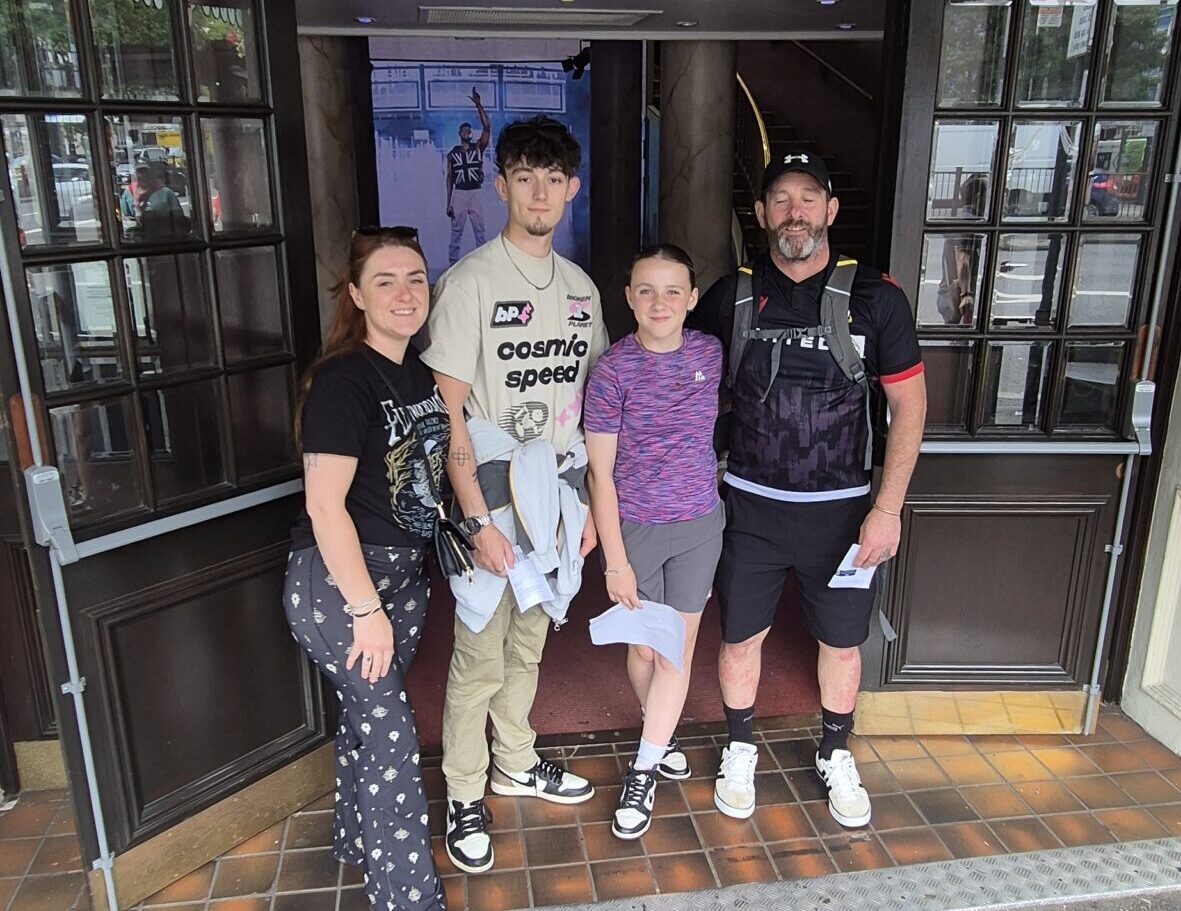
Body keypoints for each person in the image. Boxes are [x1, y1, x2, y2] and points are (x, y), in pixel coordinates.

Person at [690, 151, 926, 828]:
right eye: (780, 200)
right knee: (739, 638)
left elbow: (908, 409)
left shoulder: (876, 298)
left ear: (829, 211)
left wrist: (886, 509)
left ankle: (834, 749)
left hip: (844, 514)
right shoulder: (727, 296)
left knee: (840, 643)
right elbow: (688, 394)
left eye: (807, 198)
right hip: (748, 507)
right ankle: (739, 745)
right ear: (761, 215)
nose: (794, 212)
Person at [423, 115, 608, 873]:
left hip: (557, 499)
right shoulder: (469, 282)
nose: (539, 192)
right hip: (492, 501)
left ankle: (516, 761)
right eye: (523, 177)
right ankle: (465, 789)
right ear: (499, 185)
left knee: (529, 642)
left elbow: (595, 407)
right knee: (478, 656)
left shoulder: (581, 289)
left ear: (570, 188)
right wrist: (475, 520)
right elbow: (448, 412)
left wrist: (591, 505)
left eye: (552, 178)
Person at [283, 227, 448, 911]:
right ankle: (407, 896)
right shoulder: (344, 380)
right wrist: (364, 609)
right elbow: (325, 507)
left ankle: (355, 839)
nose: (405, 293)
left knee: (364, 719)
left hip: (399, 576)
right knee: (391, 740)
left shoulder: (414, 368)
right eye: (385, 281)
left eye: (414, 277)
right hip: (343, 588)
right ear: (355, 293)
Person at [584, 245, 724, 840]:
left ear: (692, 299)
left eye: (673, 291)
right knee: (643, 651)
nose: (659, 302)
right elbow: (599, 474)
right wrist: (615, 561)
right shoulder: (612, 370)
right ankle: (657, 730)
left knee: (676, 653)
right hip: (635, 530)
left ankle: (643, 769)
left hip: (698, 525)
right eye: (646, 290)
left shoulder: (711, 353)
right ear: (628, 298)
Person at [445, 87, 492, 264]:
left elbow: (487, 127)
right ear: (459, 134)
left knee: (480, 230)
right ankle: (452, 265)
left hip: (475, 192)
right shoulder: (453, 153)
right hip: (459, 193)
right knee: (456, 231)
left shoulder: (478, 147)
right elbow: (449, 179)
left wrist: (479, 105)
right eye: (464, 130)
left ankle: (483, 265)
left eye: (469, 130)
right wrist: (448, 202)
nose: (467, 133)